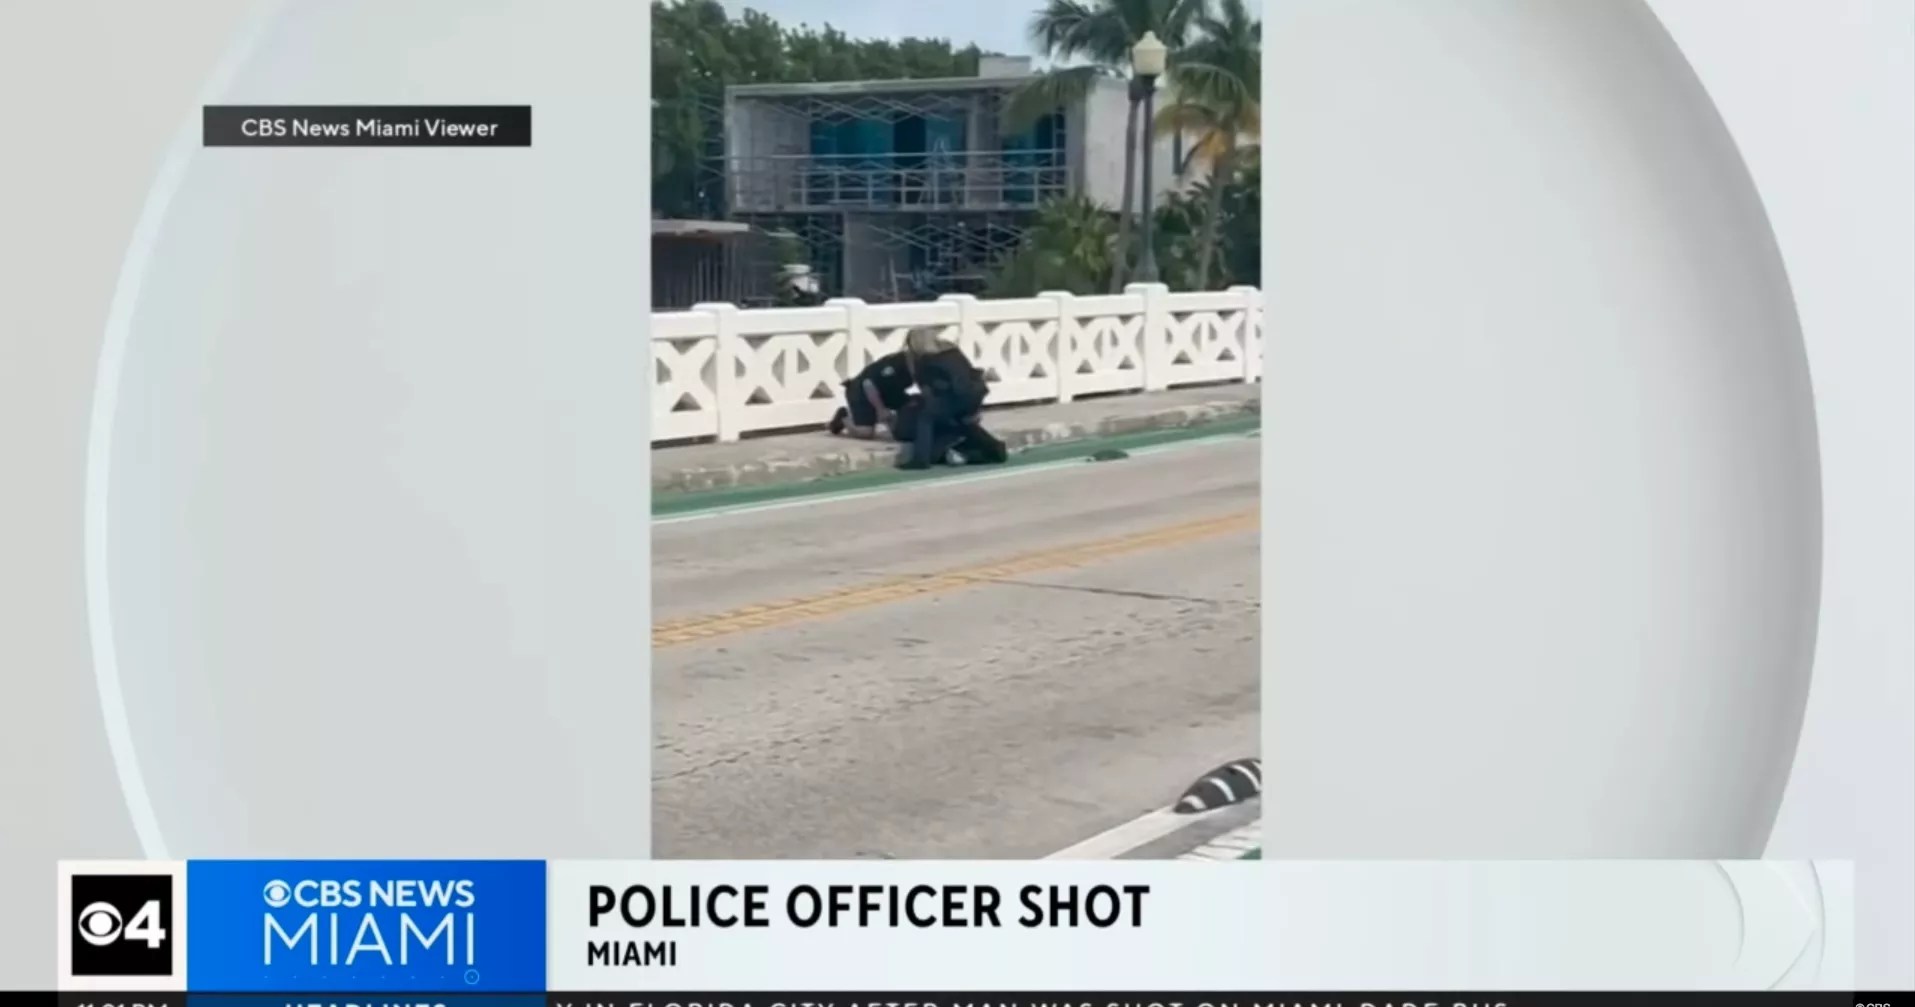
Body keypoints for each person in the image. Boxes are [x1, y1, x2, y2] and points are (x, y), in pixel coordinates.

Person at [896, 328, 1004, 470]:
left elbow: (929, 388)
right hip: (973, 394)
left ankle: (921, 459)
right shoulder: (953, 352)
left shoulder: (928, 360)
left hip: (955, 395)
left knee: (926, 417)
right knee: (964, 422)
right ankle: (995, 448)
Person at [828, 348, 914, 439]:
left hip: (888, 392)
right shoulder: (895, 364)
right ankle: (844, 418)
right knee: (866, 433)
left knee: (913, 403)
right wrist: (881, 409)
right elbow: (868, 383)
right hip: (862, 390)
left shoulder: (918, 364)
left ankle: (896, 424)